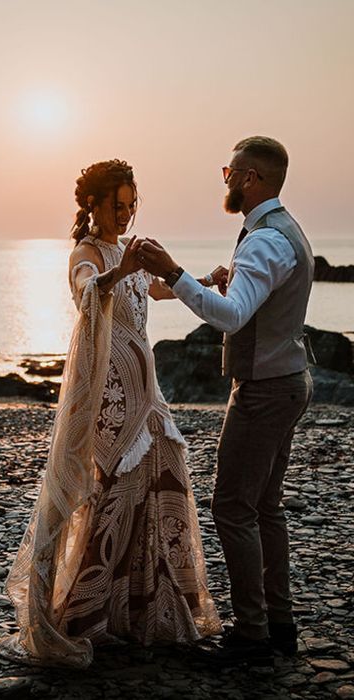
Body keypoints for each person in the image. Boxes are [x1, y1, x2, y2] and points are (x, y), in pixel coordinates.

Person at [0, 160, 222, 670]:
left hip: (150, 395)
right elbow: (88, 292)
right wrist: (123, 269)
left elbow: (153, 291)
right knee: (113, 500)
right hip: (111, 402)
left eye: (131, 205)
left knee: (163, 487)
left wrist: (205, 280)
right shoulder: (87, 253)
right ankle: (87, 614)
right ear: (92, 204)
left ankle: (150, 613)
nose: (124, 214)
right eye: (116, 205)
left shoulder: (125, 252)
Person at [138, 136, 314, 666]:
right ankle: (278, 626)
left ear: (251, 178)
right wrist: (199, 280)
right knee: (264, 506)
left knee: (233, 507)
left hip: (263, 390)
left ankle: (252, 637)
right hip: (288, 379)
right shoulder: (282, 232)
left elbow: (233, 316)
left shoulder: (264, 240)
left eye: (230, 171)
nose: (225, 179)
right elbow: (242, 300)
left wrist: (173, 272)